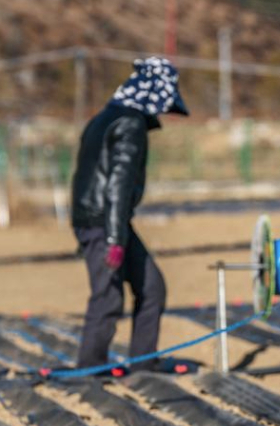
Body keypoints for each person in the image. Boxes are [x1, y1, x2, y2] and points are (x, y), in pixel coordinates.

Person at [71, 57, 188, 372]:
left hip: (101, 220)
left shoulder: (105, 117)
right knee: (107, 297)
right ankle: (90, 369)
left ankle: (143, 362)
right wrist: (114, 238)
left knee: (152, 287)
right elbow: (117, 186)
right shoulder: (129, 124)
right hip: (104, 223)